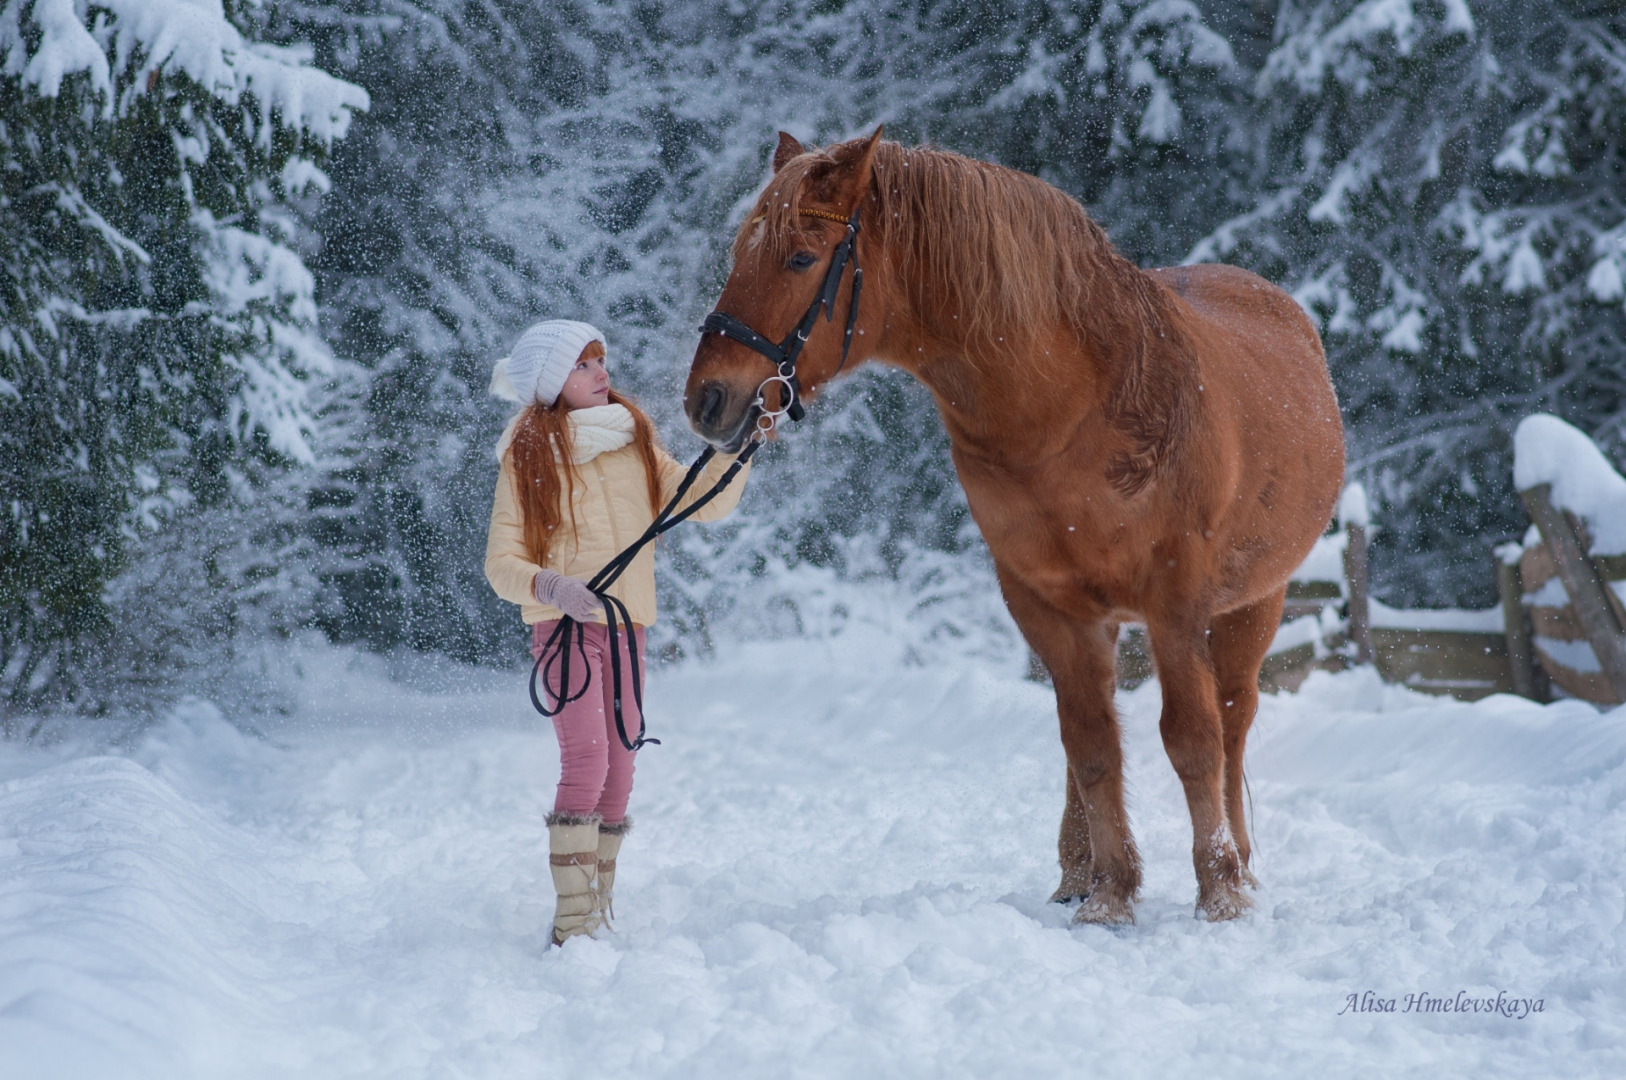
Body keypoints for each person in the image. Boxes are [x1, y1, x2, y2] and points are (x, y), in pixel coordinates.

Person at [485, 319, 750, 947]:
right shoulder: (526, 460)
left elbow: (700, 500)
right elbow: (501, 565)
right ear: (554, 383)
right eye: (585, 365)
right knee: (588, 758)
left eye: (601, 360)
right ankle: (572, 924)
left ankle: (597, 903)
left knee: (622, 768)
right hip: (567, 633)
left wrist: (738, 444)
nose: (603, 373)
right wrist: (554, 588)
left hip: (628, 631)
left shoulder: (632, 442)